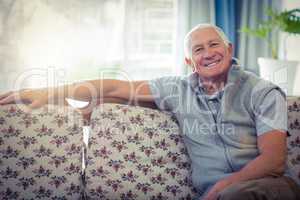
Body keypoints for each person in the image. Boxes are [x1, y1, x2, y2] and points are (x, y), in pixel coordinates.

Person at [0, 24, 299, 200]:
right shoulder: (177, 89)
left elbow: (273, 160)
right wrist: (43, 92)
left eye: (214, 45)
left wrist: (223, 187)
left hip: (269, 189)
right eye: (198, 49)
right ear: (188, 61)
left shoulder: (262, 91)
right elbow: (111, 87)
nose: (208, 53)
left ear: (230, 49)